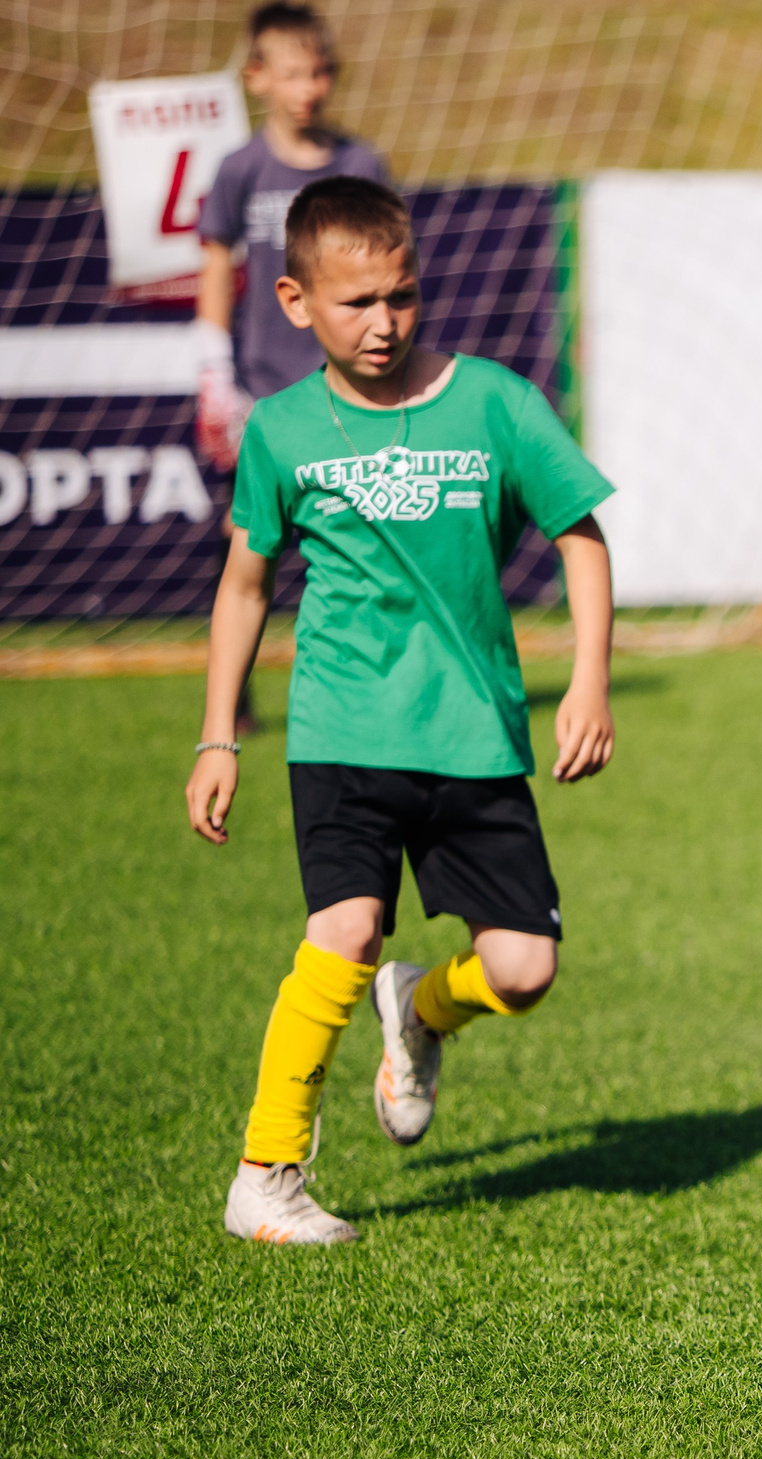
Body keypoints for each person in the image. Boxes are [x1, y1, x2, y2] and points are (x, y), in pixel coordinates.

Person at [185, 177, 618, 1245]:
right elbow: (243, 586)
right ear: (294, 302)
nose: (383, 323)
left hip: (474, 731)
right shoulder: (282, 432)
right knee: (344, 928)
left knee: (523, 969)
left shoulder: (497, 404)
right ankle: (267, 1174)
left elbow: (581, 535)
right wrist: (218, 732)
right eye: (355, 304)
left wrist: (593, 679)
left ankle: (418, 1009)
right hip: (342, 729)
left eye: (401, 296)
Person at [194, 3, 390, 735]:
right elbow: (218, 266)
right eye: (293, 73)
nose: (309, 87)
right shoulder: (240, 169)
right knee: (247, 541)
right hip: (265, 390)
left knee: (364, 531)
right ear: (257, 78)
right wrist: (215, 367)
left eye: (320, 72)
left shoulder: (361, 163)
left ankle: (370, 681)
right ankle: (232, 696)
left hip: (353, 390)